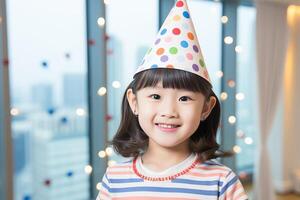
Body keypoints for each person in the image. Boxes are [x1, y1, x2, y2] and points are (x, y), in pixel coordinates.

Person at [97, 0, 248, 199]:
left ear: (206, 108)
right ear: (134, 102)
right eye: (155, 96)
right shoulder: (115, 179)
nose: (169, 111)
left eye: (185, 98)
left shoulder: (221, 180)